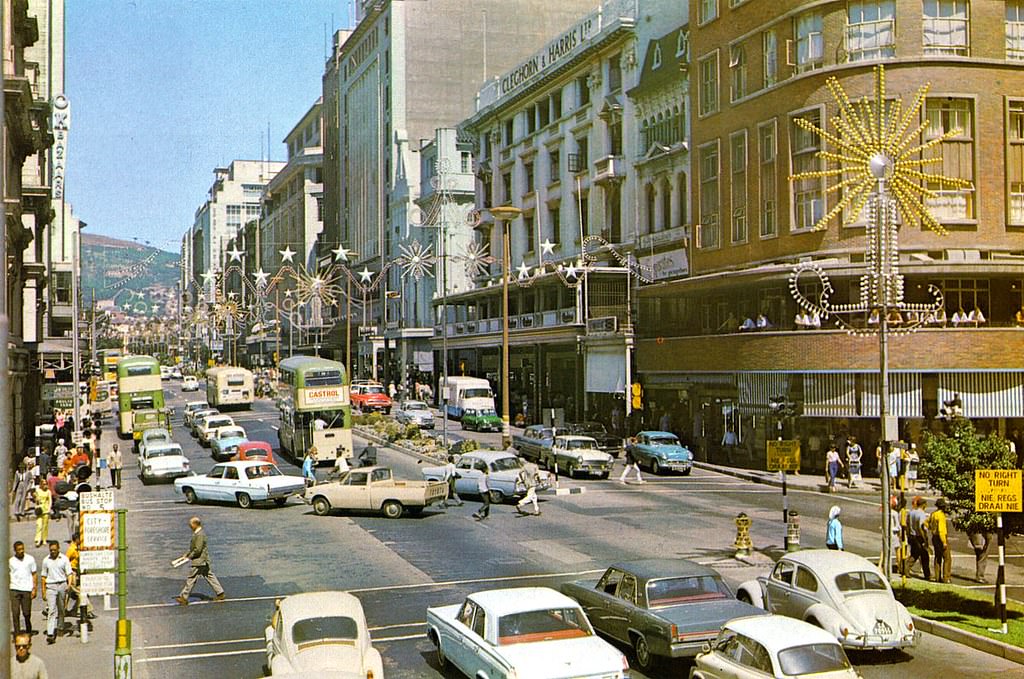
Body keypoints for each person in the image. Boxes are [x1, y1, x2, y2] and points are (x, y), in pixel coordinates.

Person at [176, 516, 226, 605]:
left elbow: (197, 549)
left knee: (191, 578)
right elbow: (194, 548)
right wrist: (186, 554)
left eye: (190, 524)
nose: (190, 526)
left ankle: (184, 597)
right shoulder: (198, 533)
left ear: (195, 524)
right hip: (203, 561)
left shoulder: (199, 535)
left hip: (199, 561)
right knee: (209, 576)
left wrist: (189, 557)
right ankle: (220, 593)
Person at [39, 540, 72, 644]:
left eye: (54, 550)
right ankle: (50, 633)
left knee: (61, 608)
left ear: (58, 549)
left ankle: (61, 627)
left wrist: (69, 585)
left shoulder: (64, 559)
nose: (52, 552)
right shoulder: (46, 560)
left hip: (62, 584)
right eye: (51, 550)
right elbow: (43, 577)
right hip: (51, 586)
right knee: (51, 610)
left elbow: (69, 573)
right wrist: (43, 591)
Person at [10, 540, 38, 636]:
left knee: (26, 613)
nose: (21, 551)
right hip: (14, 589)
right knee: (15, 613)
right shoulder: (11, 561)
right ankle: (17, 633)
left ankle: (28, 630)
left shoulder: (30, 559)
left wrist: (34, 588)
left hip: (26, 589)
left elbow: (34, 574)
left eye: (22, 549)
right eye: (19, 550)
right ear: (15, 550)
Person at [905, 497, 932, 581]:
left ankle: (905, 569)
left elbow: (907, 524)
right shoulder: (921, 514)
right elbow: (922, 527)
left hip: (912, 535)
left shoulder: (911, 513)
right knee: (924, 556)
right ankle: (927, 575)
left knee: (915, 553)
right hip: (919, 536)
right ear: (923, 505)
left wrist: (909, 534)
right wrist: (925, 539)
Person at [928, 498, 951, 583]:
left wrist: (931, 528)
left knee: (938, 557)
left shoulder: (933, 514)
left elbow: (927, 523)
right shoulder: (941, 515)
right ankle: (946, 577)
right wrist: (944, 542)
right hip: (940, 537)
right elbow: (941, 530)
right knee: (947, 558)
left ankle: (937, 577)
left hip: (934, 537)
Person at [33, 477, 53, 548]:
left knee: (45, 526)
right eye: (44, 484)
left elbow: (50, 500)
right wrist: (35, 497)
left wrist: (49, 508)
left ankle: (44, 539)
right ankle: (38, 540)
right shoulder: (38, 490)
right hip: (39, 509)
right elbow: (34, 497)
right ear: (41, 484)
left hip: (46, 509)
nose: (45, 486)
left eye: (46, 484)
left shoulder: (48, 491)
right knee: (39, 525)